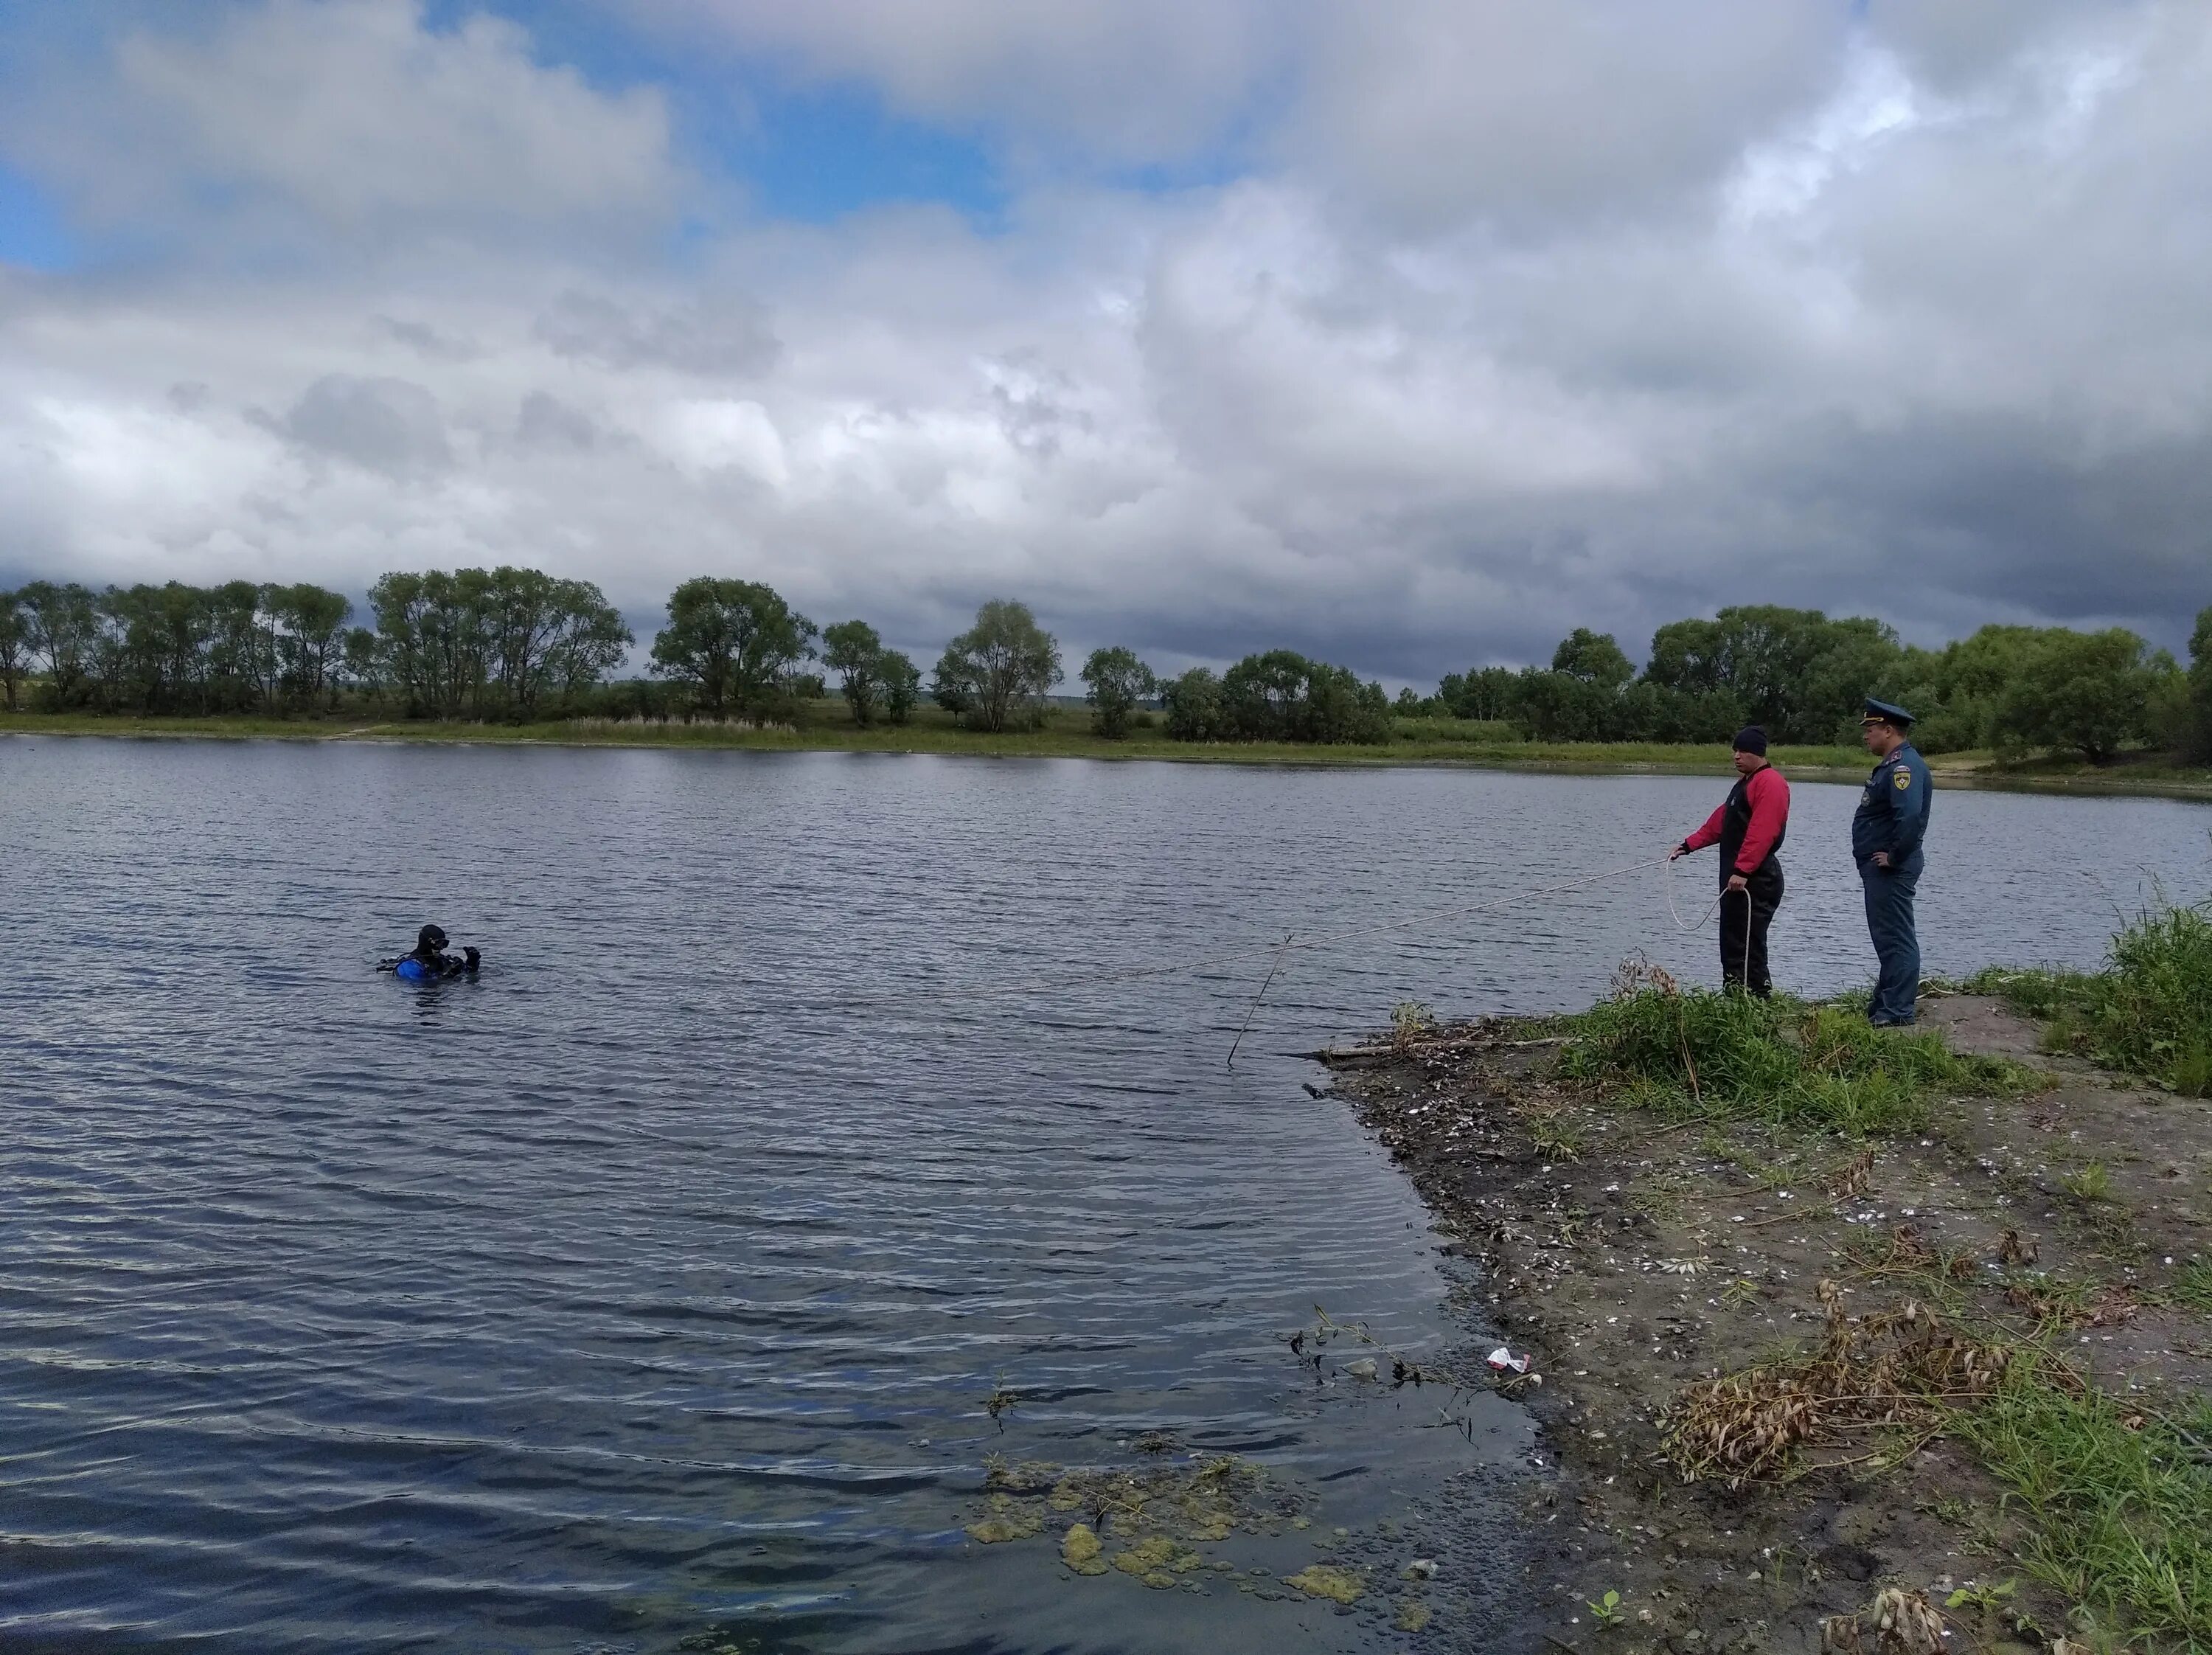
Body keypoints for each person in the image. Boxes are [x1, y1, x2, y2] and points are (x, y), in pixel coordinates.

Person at [1669, 726, 1790, 996]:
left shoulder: (1769, 782)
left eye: (1742, 751)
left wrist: (1743, 870)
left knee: (1750, 943)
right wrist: (1687, 846)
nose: (1736, 756)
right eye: (1734, 750)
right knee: (1733, 942)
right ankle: (1735, 998)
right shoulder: (1745, 784)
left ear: (1757, 753)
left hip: (1756, 879)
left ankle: (1758, 1000)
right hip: (1737, 879)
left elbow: (1763, 830)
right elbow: (1720, 823)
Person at [1853, 698, 1931, 1027]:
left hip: (1891, 868)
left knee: (1896, 938)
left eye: (1871, 729)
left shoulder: (1903, 767)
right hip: (1880, 868)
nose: (1866, 736)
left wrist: (1895, 856)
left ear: (1888, 730)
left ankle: (1898, 1011)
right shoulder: (1895, 764)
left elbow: (1910, 817)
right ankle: (1885, 1005)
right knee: (1887, 938)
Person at [380, 924, 479, 982]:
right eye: (438, 944)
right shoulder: (409, 967)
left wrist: (472, 963)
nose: (440, 948)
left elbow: (468, 974)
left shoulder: (441, 960)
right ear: (426, 943)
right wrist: (447, 975)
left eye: (443, 944)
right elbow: (419, 985)